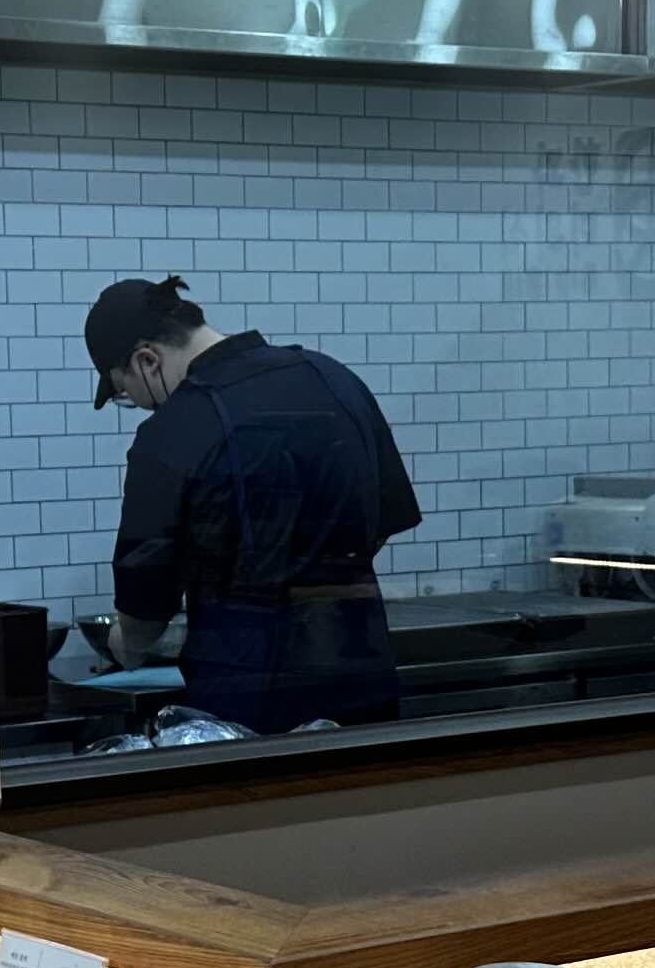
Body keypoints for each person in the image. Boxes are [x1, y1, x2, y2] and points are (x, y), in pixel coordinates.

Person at [84, 274, 421, 733]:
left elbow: (144, 617)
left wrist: (123, 647)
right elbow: (379, 523)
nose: (143, 407)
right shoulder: (334, 378)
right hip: (360, 677)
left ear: (147, 360)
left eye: (127, 394)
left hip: (248, 701)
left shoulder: (172, 432)